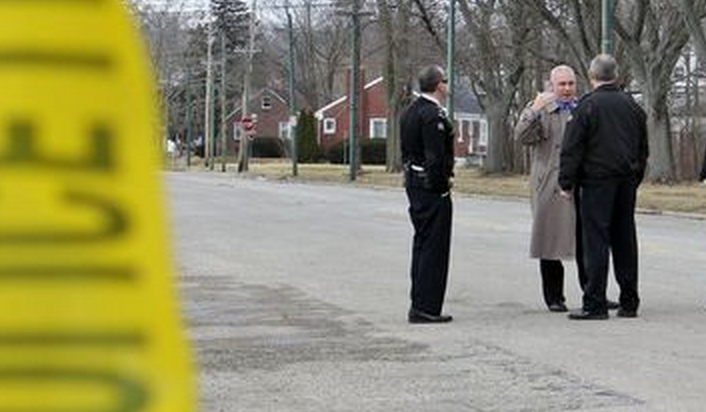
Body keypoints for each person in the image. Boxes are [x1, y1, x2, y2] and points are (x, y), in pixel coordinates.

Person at [559, 54, 649, 320]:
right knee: (625, 239)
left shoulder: (587, 106)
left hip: (596, 182)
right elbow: (643, 148)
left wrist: (566, 182)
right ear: (616, 75)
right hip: (626, 180)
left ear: (591, 76)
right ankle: (629, 301)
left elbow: (572, 147)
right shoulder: (632, 106)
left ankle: (595, 303)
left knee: (595, 242)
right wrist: (636, 176)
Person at [514, 65, 581, 313]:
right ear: (551, 86)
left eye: (570, 83)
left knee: (586, 240)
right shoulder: (541, 109)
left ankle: (593, 292)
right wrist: (534, 109)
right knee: (549, 238)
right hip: (548, 182)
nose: (566, 89)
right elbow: (521, 136)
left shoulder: (583, 109)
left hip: (579, 182)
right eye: (561, 84)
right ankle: (554, 297)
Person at [401, 65, 455, 324]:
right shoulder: (432, 115)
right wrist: (442, 186)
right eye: (446, 80)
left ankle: (420, 302)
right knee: (434, 248)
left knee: (422, 243)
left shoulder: (410, 111)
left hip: (414, 183)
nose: (447, 85)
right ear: (439, 85)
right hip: (430, 187)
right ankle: (427, 307)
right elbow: (435, 156)